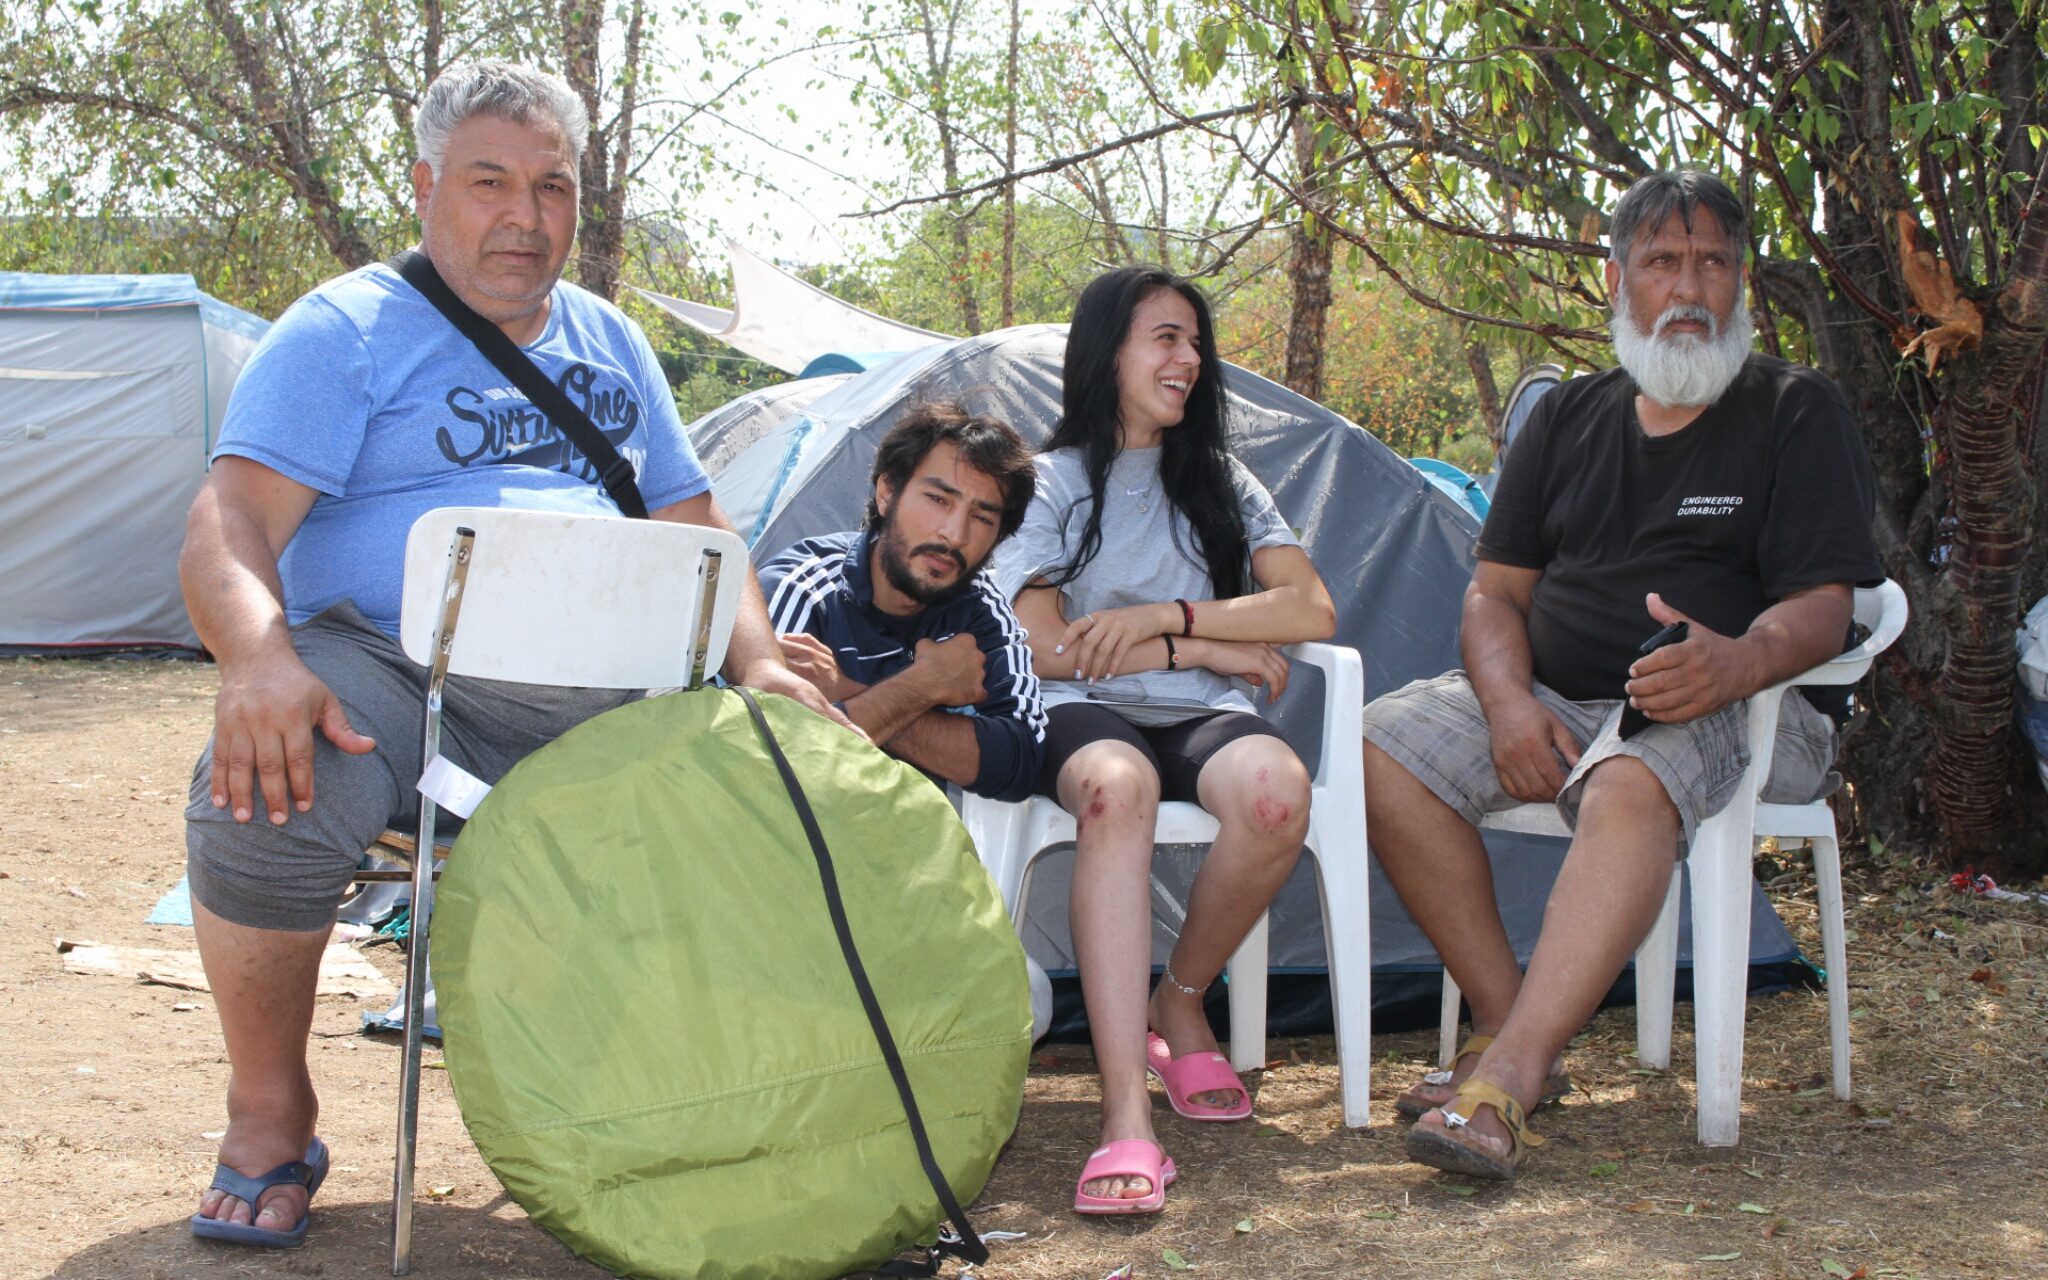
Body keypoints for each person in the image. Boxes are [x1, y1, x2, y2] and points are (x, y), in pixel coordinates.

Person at [179, 60, 846, 1248]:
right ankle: (270, 1111)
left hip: (624, 701)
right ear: (427, 184)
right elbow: (229, 520)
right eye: (490, 181)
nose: (524, 216)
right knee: (264, 791)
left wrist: (759, 662)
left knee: (809, 786)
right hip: (403, 678)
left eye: (553, 187)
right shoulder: (343, 330)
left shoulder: (613, 341)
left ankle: (765, 1115)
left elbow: (696, 533)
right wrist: (257, 659)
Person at [1364, 169, 1885, 1180]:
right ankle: (1511, 1019)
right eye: (1659, 262)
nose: (1686, 287)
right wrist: (1509, 703)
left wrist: (1734, 660)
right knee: (1382, 746)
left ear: (1740, 283)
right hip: (1561, 700)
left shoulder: (1793, 410)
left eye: (1711, 263)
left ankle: (1502, 1078)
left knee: (1627, 774)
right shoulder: (1564, 419)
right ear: (1616, 281)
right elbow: (1491, 595)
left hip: (1743, 704)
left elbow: (1827, 606)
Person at [990, 266, 1337, 1214]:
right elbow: (1036, 644)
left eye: (1194, 342)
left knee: (1276, 793)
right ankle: (1124, 1120)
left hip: (1195, 699)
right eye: (1165, 338)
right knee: (1118, 788)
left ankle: (1179, 999)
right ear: (1107, 354)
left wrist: (1175, 626)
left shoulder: (1222, 481)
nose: (1188, 359)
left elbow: (1309, 607)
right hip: (1085, 705)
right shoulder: (1048, 482)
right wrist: (1222, 638)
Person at [759, 402, 1046, 800]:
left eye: (982, 518)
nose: (954, 533)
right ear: (886, 493)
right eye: (938, 499)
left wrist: (844, 689)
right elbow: (773, 756)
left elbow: (1021, 763)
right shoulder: (804, 587)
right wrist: (925, 686)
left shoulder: (982, 613)